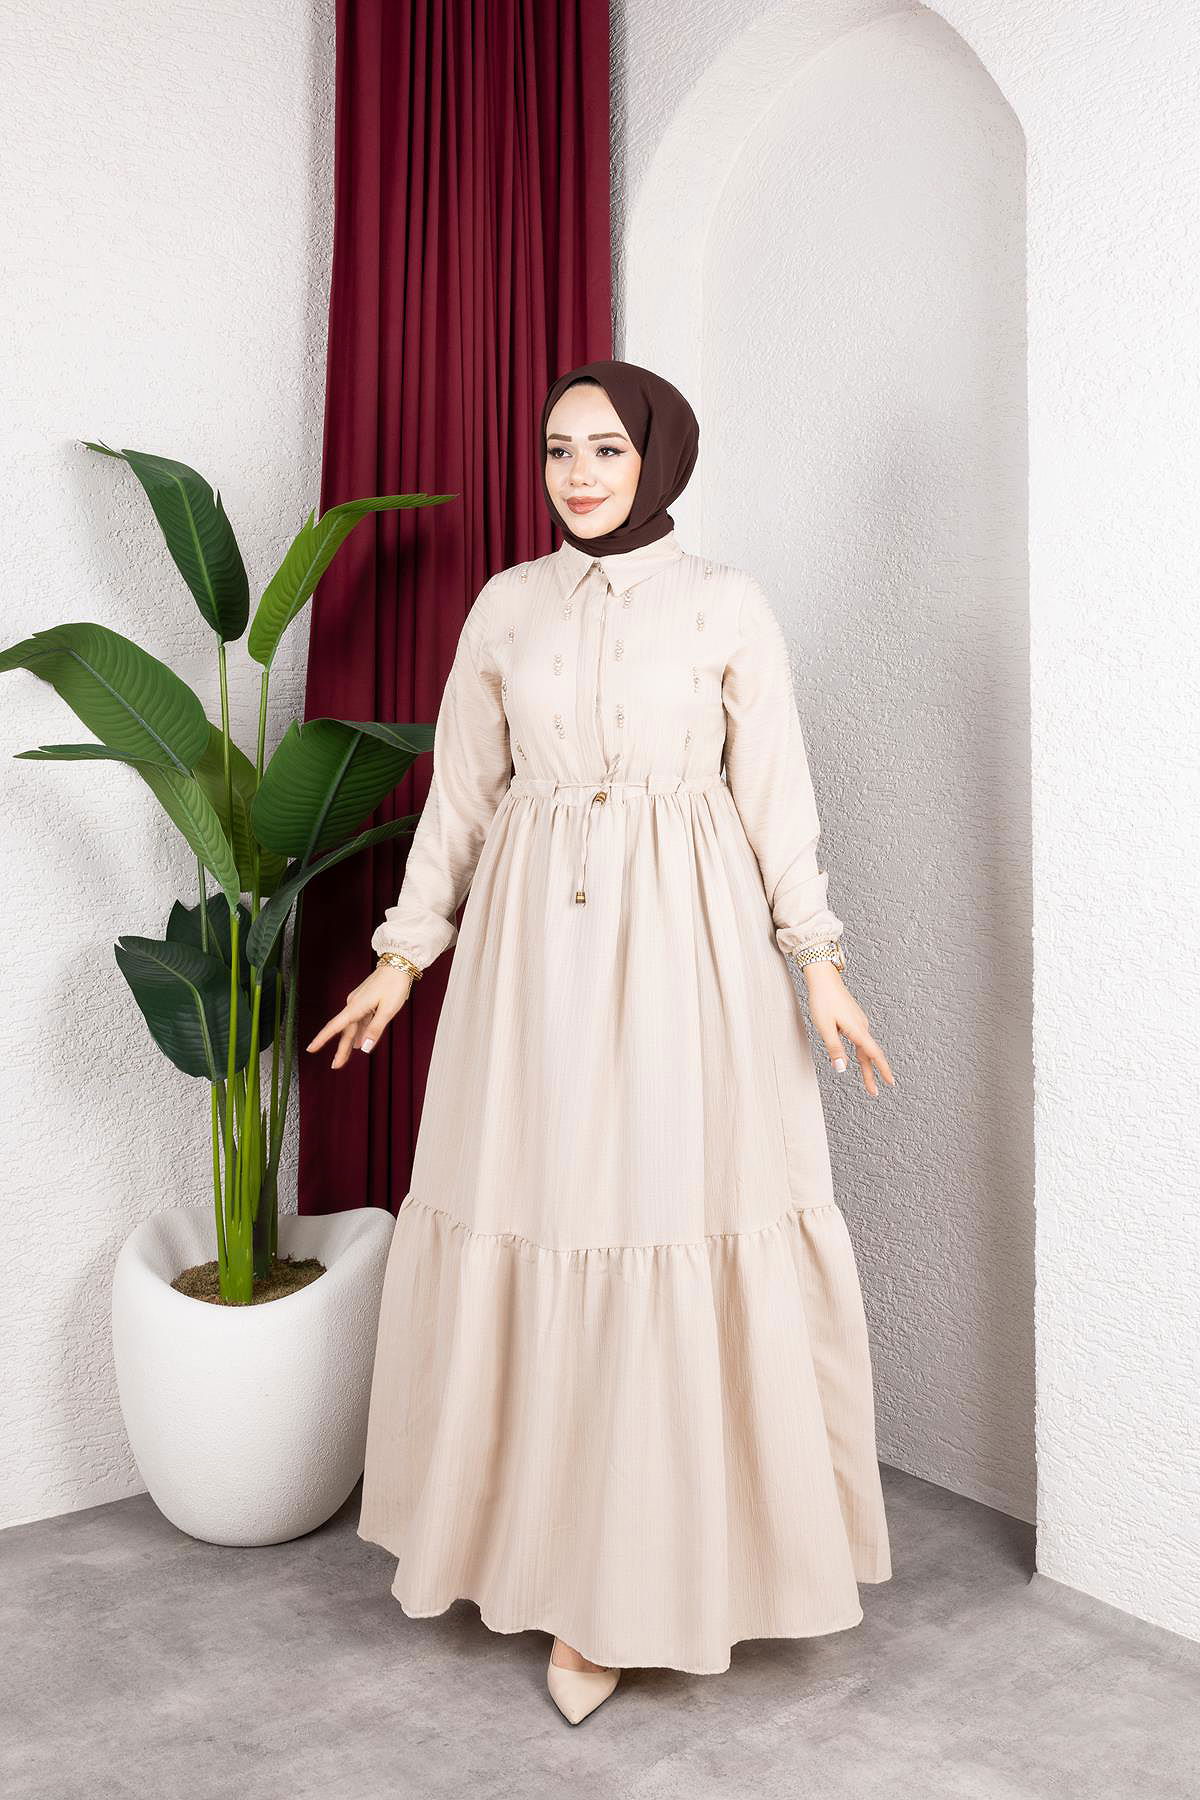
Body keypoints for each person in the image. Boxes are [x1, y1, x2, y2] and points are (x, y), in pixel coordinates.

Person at [307, 358, 896, 1725]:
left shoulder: (727, 603)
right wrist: (403, 954)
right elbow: (462, 797)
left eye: (606, 450)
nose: (577, 474)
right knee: (546, 1213)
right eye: (558, 449)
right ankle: (547, 1557)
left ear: (658, 458)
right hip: (532, 961)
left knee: (662, 1217)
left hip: (692, 955)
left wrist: (819, 965)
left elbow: (777, 798)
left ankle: (643, 1584)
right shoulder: (506, 605)